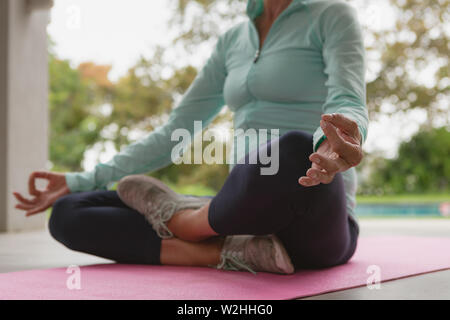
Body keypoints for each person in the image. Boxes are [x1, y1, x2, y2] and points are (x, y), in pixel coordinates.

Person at [13, 0, 368, 274]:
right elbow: (175, 132)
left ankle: (189, 224)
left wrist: (336, 144)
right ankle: (226, 252)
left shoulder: (331, 15)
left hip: (312, 217)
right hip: (242, 209)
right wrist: (83, 180)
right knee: (70, 212)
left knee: (289, 150)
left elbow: (347, 100)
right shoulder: (232, 41)